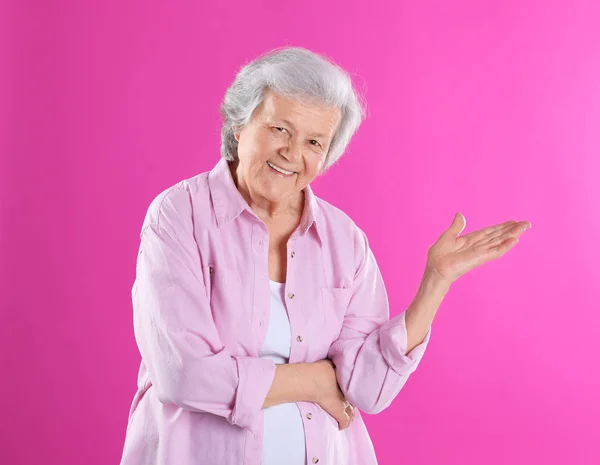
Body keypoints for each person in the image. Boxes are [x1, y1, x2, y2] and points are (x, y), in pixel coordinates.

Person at [119, 46, 531, 465]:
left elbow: (368, 389)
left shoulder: (345, 239)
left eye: (314, 141)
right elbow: (183, 374)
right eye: (279, 129)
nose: (292, 152)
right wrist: (314, 382)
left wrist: (435, 282)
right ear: (240, 125)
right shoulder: (179, 214)